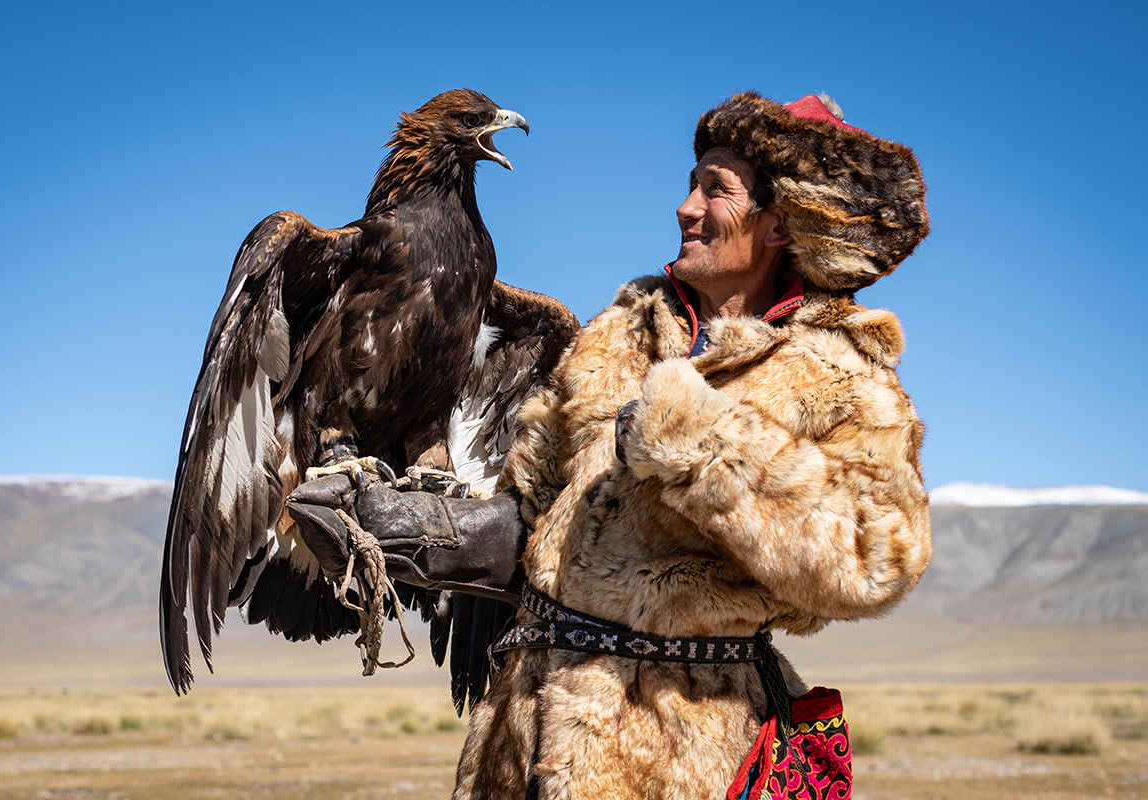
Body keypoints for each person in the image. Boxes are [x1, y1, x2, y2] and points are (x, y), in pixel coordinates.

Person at [292, 90, 933, 800]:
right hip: (521, 743)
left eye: (713, 191)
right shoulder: (614, 338)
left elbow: (874, 563)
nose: (686, 208)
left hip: (681, 750)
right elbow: (536, 525)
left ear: (780, 224)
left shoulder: (837, 375)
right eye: (690, 185)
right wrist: (425, 535)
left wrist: (701, 443)